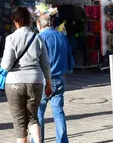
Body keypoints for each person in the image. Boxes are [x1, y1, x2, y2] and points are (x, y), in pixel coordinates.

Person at [2, 7, 53, 143]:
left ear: (16, 22)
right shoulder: (37, 38)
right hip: (35, 81)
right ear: (29, 21)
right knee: (32, 117)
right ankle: (37, 141)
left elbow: (6, 65)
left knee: (19, 120)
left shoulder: (11, 39)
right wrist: (48, 83)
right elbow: (46, 64)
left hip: (14, 82)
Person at [34, 12, 74, 143]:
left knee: (39, 113)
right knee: (58, 113)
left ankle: (37, 140)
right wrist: (67, 70)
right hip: (60, 78)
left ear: (40, 25)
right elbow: (69, 56)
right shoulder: (61, 36)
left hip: (44, 80)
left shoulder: (40, 38)